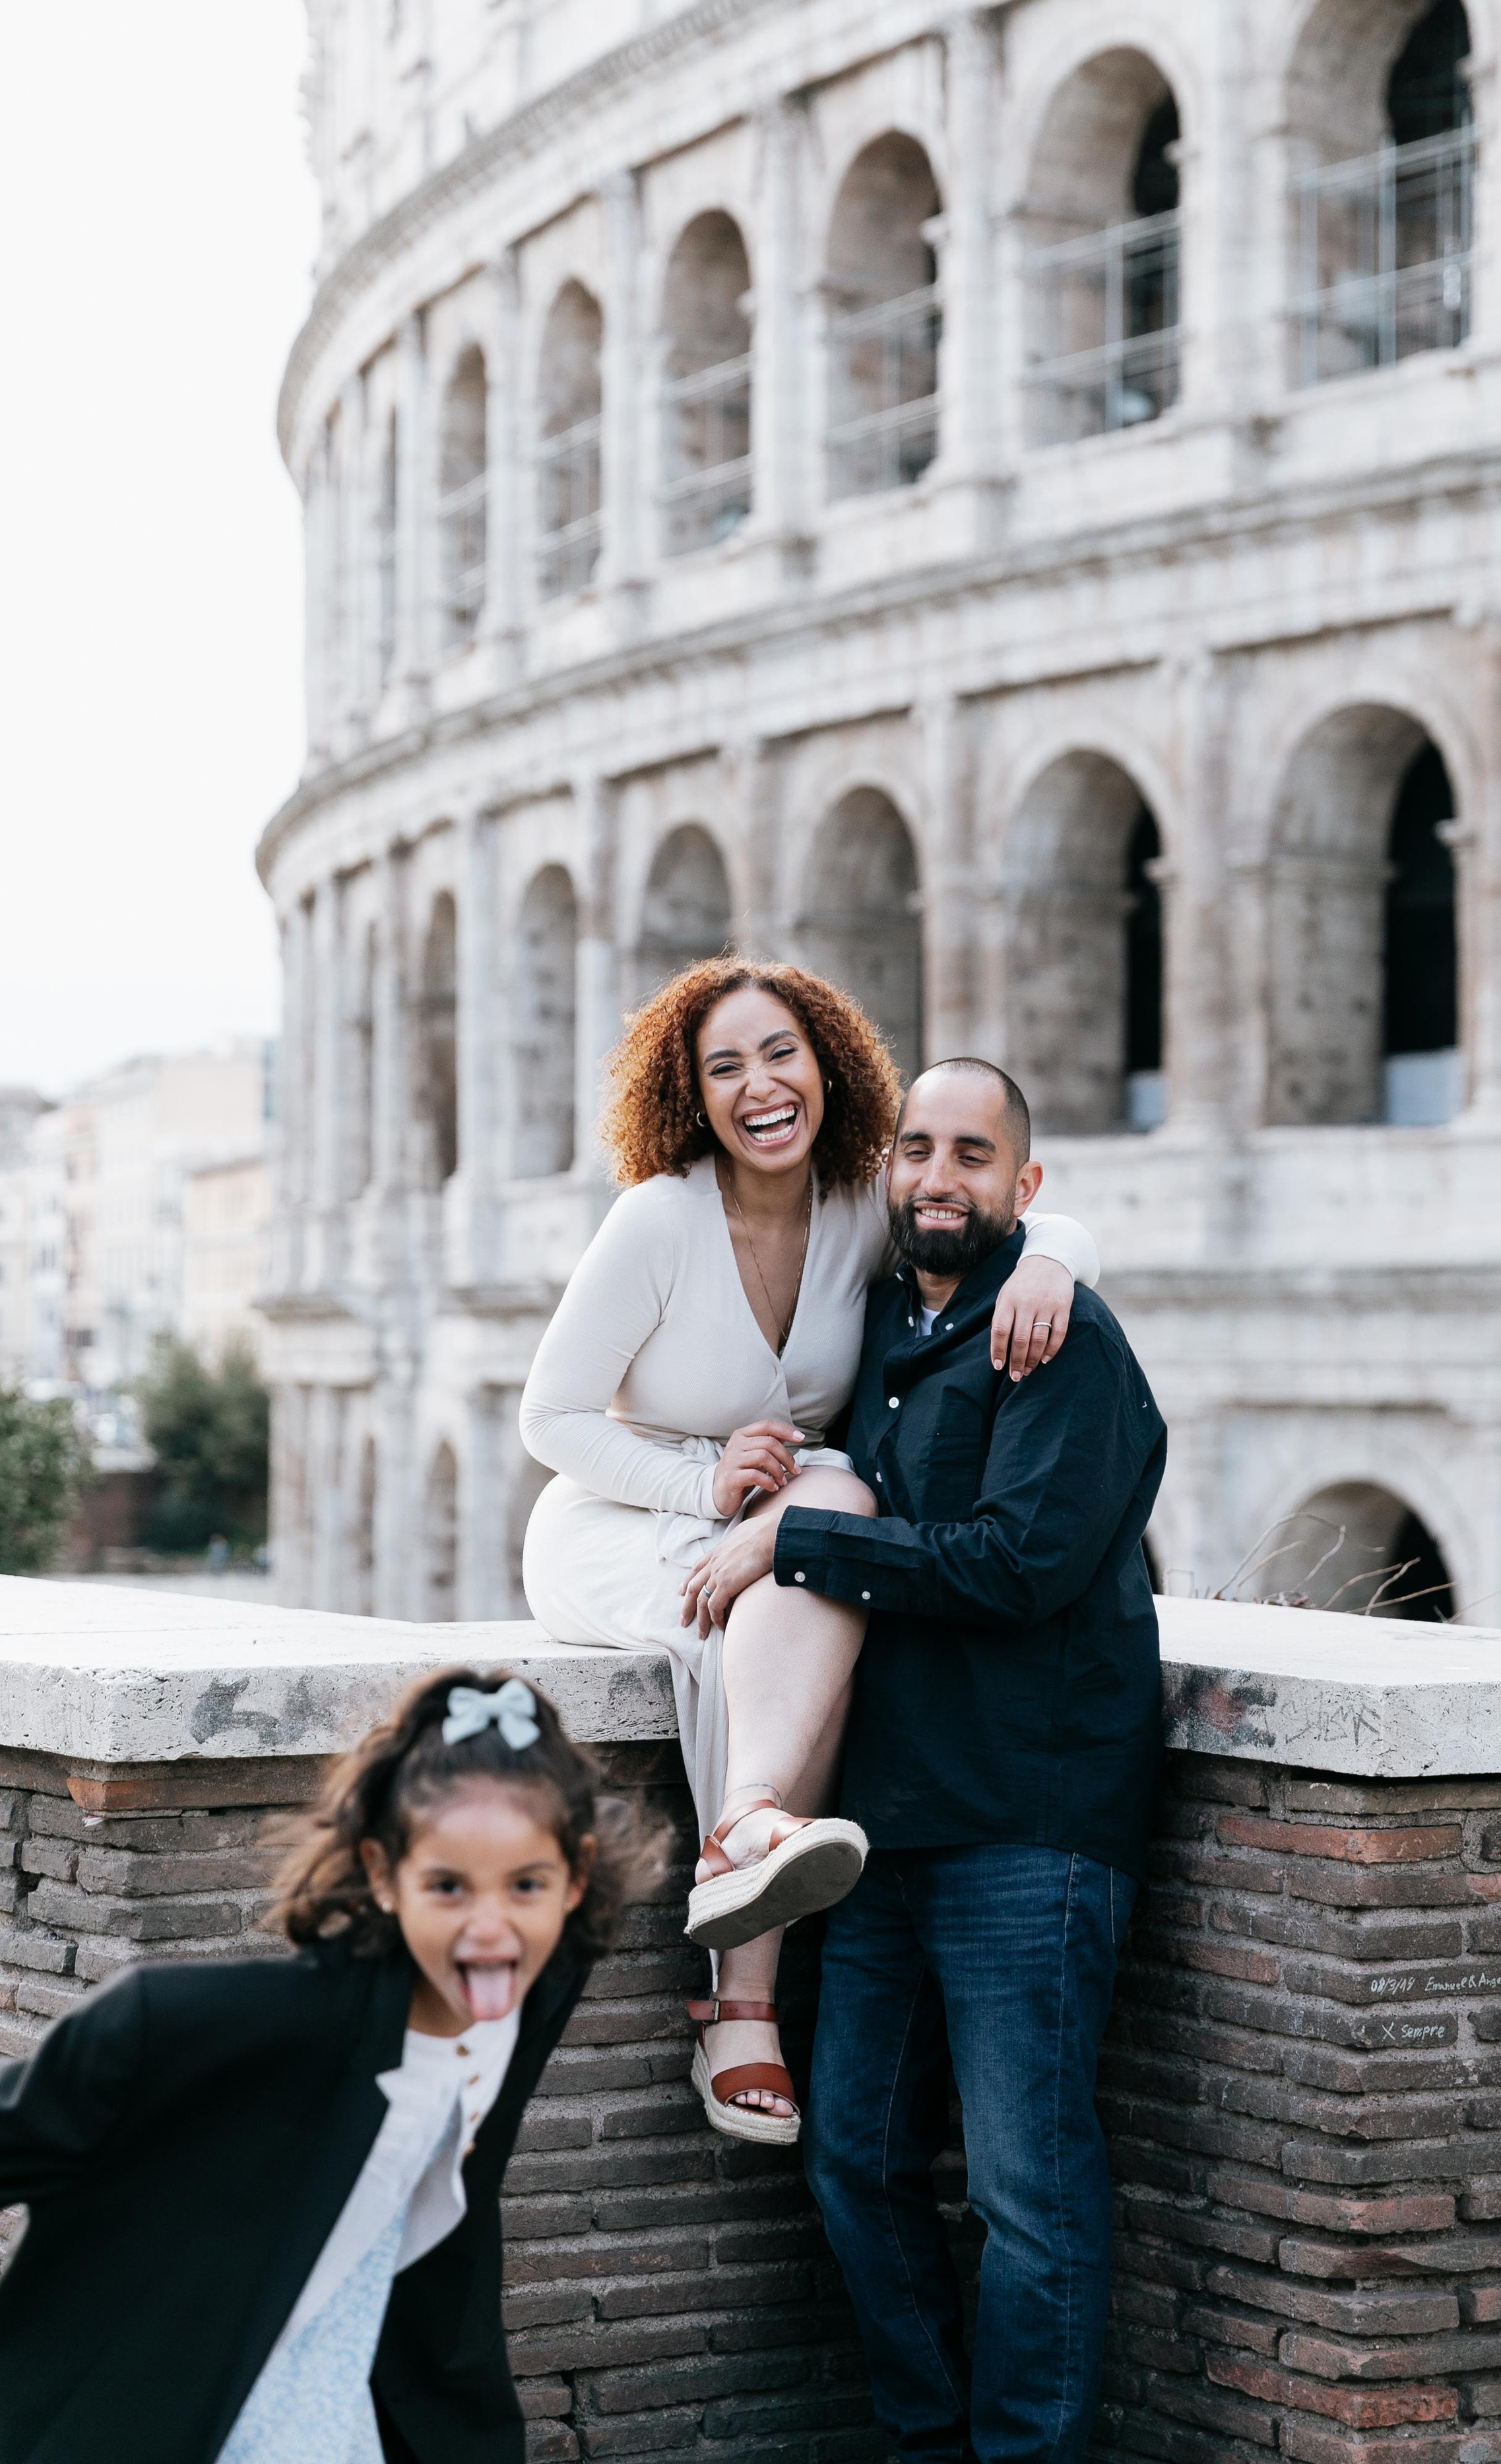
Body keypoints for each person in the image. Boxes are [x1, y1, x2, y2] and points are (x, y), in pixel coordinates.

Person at [519, 959, 1100, 2143]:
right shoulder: (658, 1219)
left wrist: (1052, 1258)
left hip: (776, 1514)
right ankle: (742, 2001)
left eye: (780, 1052)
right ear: (691, 1095)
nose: (759, 1086)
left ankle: (744, 1828)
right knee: (794, 1561)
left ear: (828, 1065)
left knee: (833, 1507)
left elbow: (1004, 1197)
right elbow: (552, 1421)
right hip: (621, 1515)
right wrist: (700, 1481)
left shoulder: (860, 1208)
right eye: (724, 1066)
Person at [681, 1058, 1166, 2464]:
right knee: (852, 2163)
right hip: (880, 1832)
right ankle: (923, 2436)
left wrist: (796, 1537)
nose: (935, 1177)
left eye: (970, 1154)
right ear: (884, 1170)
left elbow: (1020, 1565)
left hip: (1032, 1820)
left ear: (1023, 1186)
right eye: (912, 1150)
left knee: (1028, 2189)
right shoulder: (885, 1325)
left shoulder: (1063, 1343)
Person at [0, 1668, 659, 2464]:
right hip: (169, 2409)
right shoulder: (205, 2028)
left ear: (574, 1880)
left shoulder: (536, 1983)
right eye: (447, 1887)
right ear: (384, 1876)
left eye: (526, 1885)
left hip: (352, 2408)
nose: (491, 1928)